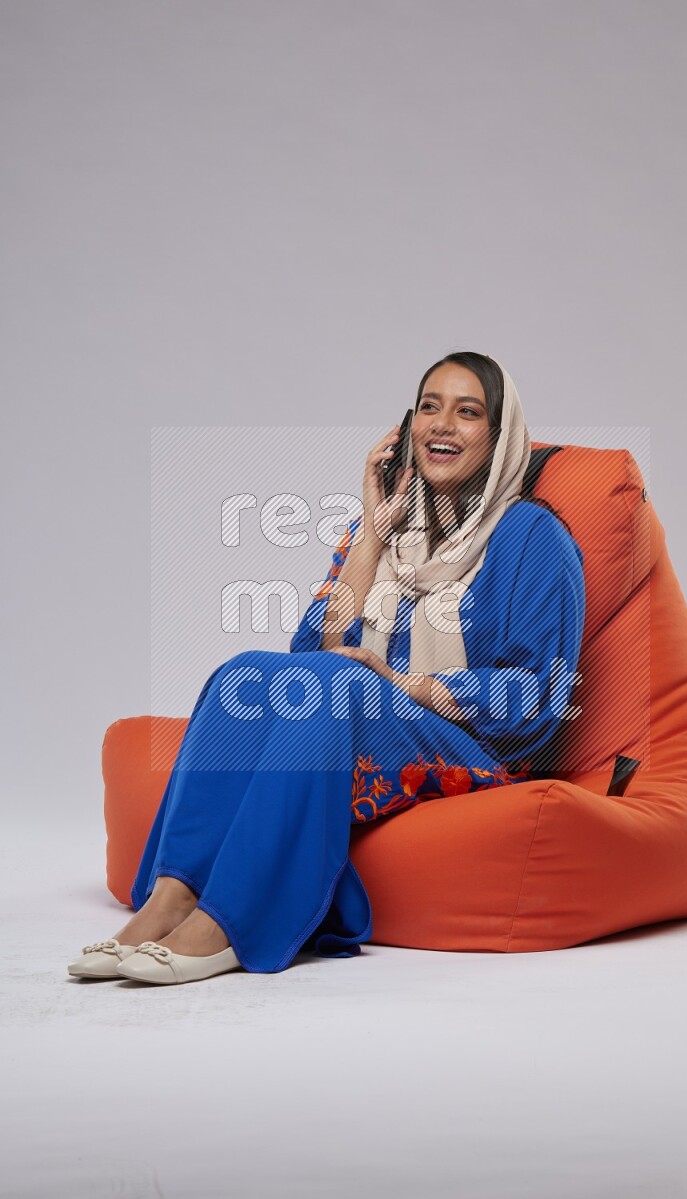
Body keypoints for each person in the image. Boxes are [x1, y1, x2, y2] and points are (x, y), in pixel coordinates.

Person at [67, 351, 586, 985]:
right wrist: (371, 532)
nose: (442, 424)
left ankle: (231, 923)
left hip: (471, 747)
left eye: (468, 412)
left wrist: (394, 681)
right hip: (361, 713)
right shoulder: (386, 536)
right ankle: (171, 897)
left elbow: (537, 699)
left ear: (501, 438)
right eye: (429, 407)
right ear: (406, 427)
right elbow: (307, 658)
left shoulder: (533, 536)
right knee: (245, 673)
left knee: (339, 686)